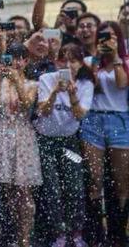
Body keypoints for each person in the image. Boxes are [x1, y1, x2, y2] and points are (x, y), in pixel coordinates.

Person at [0, 43, 40, 247]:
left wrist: (16, 81)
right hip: (2, 136)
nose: (15, 62)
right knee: (8, 189)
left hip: (23, 137)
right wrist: (0, 81)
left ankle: (25, 238)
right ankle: (17, 232)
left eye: (19, 58)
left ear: (26, 61)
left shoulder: (32, 84)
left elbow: (26, 105)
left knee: (24, 189)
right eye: (11, 58)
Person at [35, 44, 94, 247]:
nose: (68, 65)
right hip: (46, 140)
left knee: (75, 185)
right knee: (51, 188)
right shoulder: (46, 79)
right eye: (63, 60)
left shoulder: (86, 84)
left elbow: (79, 115)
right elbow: (42, 110)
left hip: (70, 142)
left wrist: (72, 95)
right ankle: (58, 234)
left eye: (73, 60)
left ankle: (76, 233)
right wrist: (54, 92)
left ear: (81, 63)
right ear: (56, 62)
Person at [80, 21, 129, 246]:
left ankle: (118, 230)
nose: (105, 41)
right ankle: (96, 229)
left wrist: (116, 59)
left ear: (118, 38)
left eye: (110, 37)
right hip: (94, 119)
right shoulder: (91, 62)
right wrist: (98, 59)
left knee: (122, 181)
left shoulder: (126, 61)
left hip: (119, 119)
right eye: (102, 37)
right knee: (94, 178)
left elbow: (121, 84)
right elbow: (91, 85)